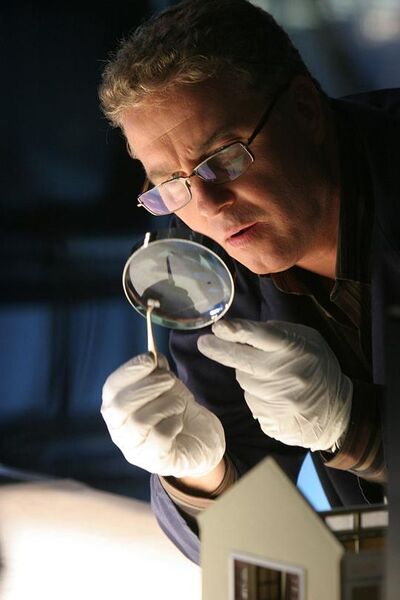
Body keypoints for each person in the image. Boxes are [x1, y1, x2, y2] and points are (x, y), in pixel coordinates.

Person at [99, 0, 400, 563]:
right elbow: (253, 561)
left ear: (305, 111)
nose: (208, 207)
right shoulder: (214, 264)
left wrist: (359, 427)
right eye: (170, 185)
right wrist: (202, 477)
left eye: (222, 159)